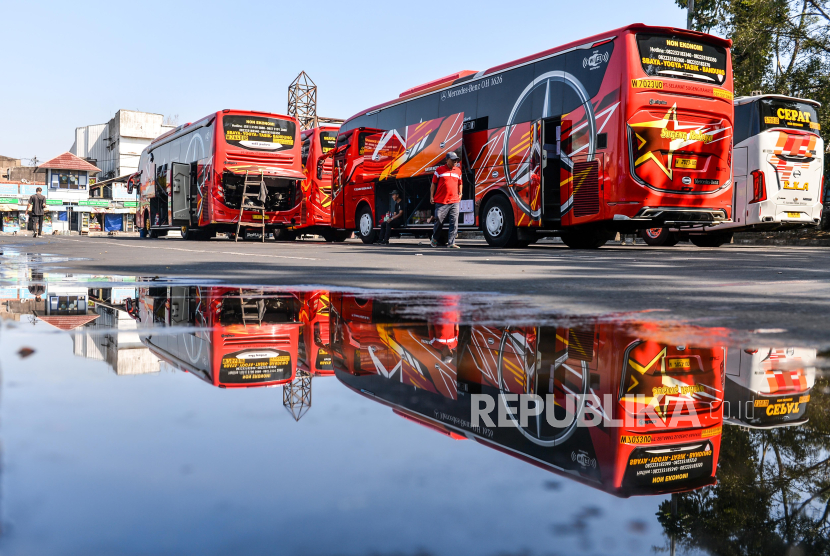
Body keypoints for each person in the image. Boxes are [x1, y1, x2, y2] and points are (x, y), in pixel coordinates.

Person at [430, 152, 463, 248]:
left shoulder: (458, 171)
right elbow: (433, 184)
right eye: (453, 160)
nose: (455, 162)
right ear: (447, 160)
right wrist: (431, 196)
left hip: (454, 200)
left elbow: (460, 183)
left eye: (456, 160)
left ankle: (451, 243)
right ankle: (435, 238)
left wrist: (460, 193)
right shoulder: (439, 170)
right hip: (441, 201)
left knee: (454, 221)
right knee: (439, 220)